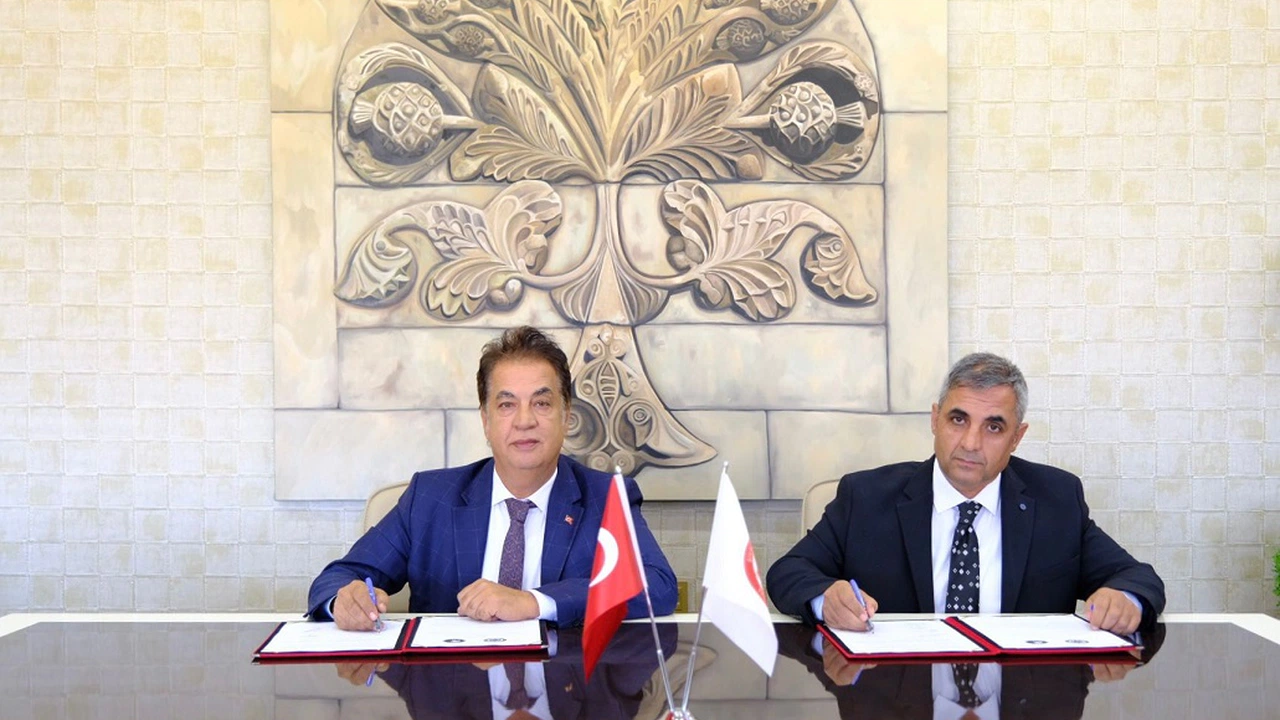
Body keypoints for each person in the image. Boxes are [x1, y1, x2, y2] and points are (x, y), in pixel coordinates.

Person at [767, 352, 1165, 636]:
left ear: (1016, 437)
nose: (971, 443)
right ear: (935, 420)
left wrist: (1124, 598)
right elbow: (789, 572)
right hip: (897, 698)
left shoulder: (1056, 500)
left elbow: (1137, 578)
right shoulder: (866, 497)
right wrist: (825, 598)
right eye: (958, 420)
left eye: (993, 427)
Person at [308, 326, 678, 629]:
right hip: (451, 686)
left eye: (541, 403)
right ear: (486, 420)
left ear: (566, 416)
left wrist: (534, 602)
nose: (524, 420)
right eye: (506, 404)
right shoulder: (430, 498)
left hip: (563, 684)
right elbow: (337, 578)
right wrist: (345, 601)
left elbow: (657, 586)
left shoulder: (605, 497)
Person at [333, 624, 678, 720]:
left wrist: (356, 624)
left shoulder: (435, 707)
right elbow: (658, 635)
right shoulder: (602, 709)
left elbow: (365, 641)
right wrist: (545, 641)